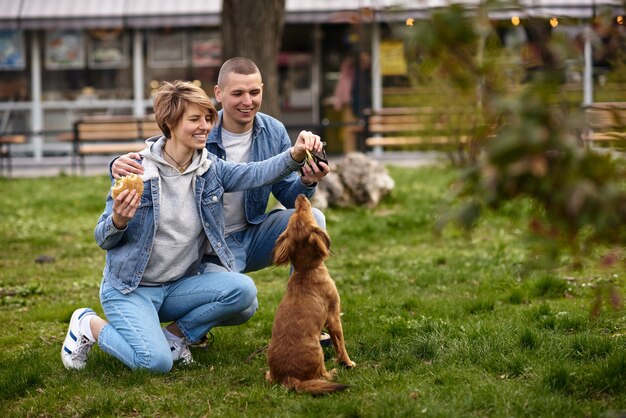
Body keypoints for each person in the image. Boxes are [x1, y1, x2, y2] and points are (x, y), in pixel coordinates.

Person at [61, 80, 323, 373]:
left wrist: (295, 155)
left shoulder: (210, 168)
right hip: (130, 288)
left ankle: (174, 337)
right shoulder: (136, 171)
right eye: (195, 119)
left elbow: (254, 173)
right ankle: (88, 325)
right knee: (155, 364)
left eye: (208, 118)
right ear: (170, 123)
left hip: (177, 286)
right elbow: (102, 237)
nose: (205, 127)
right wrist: (118, 221)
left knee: (243, 291)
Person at [111, 57, 330, 277]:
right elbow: (165, 148)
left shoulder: (273, 131)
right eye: (237, 94)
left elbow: (288, 197)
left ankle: (304, 301)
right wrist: (117, 164)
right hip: (211, 245)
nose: (247, 101)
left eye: (254, 93)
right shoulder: (201, 130)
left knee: (313, 219)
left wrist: (307, 181)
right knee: (240, 305)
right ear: (218, 93)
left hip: (253, 233)